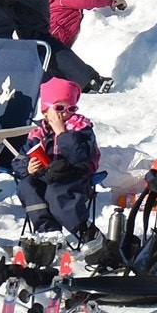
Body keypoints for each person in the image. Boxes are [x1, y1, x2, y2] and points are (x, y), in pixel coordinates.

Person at [13, 77, 100, 239]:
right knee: (27, 186)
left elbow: (79, 156)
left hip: (74, 177)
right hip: (46, 176)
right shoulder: (38, 132)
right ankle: (48, 232)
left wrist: (62, 133)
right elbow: (19, 159)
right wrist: (28, 167)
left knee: (56, 192)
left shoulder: (80, 128)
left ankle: (85, 231)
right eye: (59, 108)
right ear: (45, 111)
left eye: (71, 108)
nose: (65, 113)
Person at [48, 0, 126, 92]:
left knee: (54, 65)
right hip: (55, 36)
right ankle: (91, 81)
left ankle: (73, 85)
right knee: (62, 60)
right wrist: (112, 0)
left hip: (55, 37)